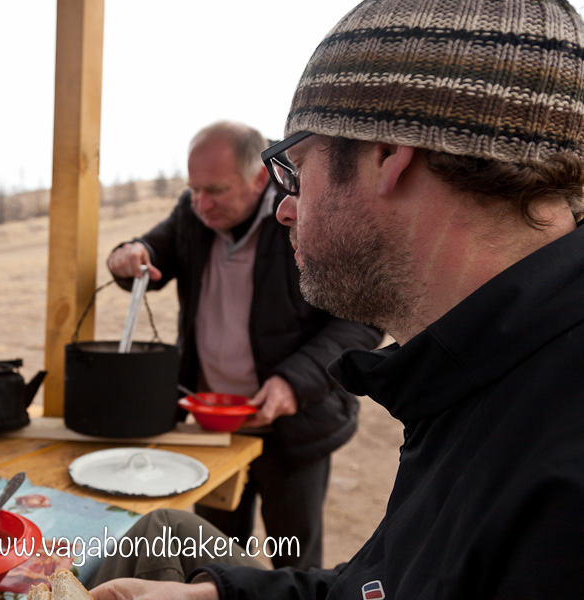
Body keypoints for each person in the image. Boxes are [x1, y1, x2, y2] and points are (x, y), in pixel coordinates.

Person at [90, 0, 584, 597]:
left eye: (295, 169)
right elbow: (386, 586)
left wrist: (295, 382)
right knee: (165, 537)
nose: (287, 207)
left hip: (295, 433)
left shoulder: (555, 445)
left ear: (387, 156)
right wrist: (214, 594)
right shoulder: (487, 371)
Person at [106, 121, 382, 569]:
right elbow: (149, 254)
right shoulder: (192, 214)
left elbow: (361, 321)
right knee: (209, 556)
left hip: (294, 430)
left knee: (293, 560)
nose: (201, 203)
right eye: (194, 189)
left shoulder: (308, 217)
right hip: (215, 426)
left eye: (214, 190)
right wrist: (130, 255)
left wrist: (294, 383)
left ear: (259, 178)